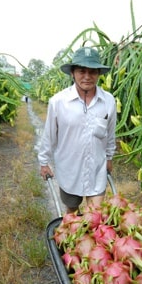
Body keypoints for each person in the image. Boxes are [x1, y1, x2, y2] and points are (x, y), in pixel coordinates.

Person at [38, 47, 117, 214]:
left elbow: (110, 134)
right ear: (72, 73)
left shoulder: (108, 101)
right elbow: (49, 135)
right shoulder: (58, 102)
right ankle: (70, 238)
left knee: (95, 215)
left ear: (98, 74)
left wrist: (109, 157)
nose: (87, 76)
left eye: (92, 72)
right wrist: (44, 162)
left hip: (97, 168)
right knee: (72, 211)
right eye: (82, 71)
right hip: (69, 169)